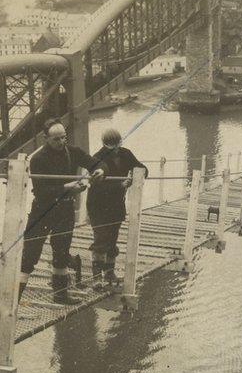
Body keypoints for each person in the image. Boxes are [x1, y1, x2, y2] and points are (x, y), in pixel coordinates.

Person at [19, 118, 105, 305]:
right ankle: (14, 298)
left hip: (65, 210)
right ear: (46, 139)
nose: (61, 142)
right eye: (56, 139)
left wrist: (99, 171)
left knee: (61, 251)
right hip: (43, 210)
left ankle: (60, 294)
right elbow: (41, 192)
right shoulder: (37, 159)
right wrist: (67, 187)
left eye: (63, 138)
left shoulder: (73, 152)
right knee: (30, 254)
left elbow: (95, 163)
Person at [86, 128, 148, 289]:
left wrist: (134, 177)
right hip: (98, 205)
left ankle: (109, 272)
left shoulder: (125, 154)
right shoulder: (96, 158)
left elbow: (142, 168)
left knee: (112, 239)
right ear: (104, 144)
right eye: (110, 146)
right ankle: (96, 277)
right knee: (100, 239)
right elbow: (97, 186)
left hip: (116, 204)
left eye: (117, 145)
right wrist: (120, 185)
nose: (115, 149)